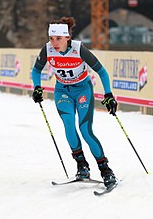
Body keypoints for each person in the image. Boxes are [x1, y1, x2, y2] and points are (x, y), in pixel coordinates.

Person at [31, 17, 118, 188]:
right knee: (69, 125)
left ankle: (105, 170)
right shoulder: (47, 50)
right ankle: (82, 166)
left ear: (67, 38)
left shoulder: (79, 49)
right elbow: (36, 70)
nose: (54, 43)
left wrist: (108, 94)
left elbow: (102, 71)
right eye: (51, 38)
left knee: (85, 130)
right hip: (62, 91)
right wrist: (37, 87)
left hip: (83, 89)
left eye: (58, 39)